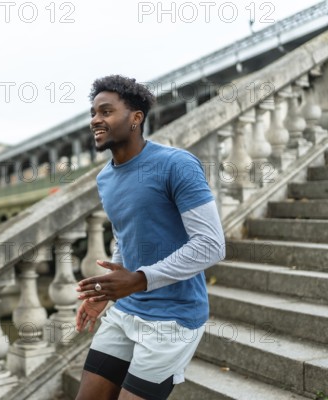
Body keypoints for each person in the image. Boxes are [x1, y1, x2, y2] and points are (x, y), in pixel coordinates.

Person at [75, 75, 225, 400]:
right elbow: (125, 236)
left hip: (173, 318)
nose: (95, 120)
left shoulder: (176, 165)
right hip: (126, 310)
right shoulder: (105, 179)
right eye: (93, 113)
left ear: (136, 118)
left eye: (106, 111)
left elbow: (211, 245)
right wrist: (110, 288)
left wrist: (140, 279)